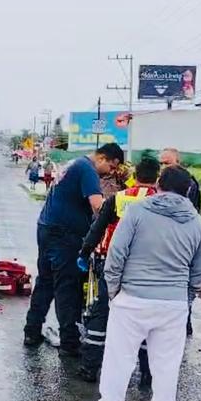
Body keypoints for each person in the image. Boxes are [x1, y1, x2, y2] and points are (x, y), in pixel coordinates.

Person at [93, 165, 201, 401]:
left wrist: (115, 292)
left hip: (131, 300)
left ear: (158, 185)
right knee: (167, 365)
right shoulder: (198, 223)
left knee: (118, 361)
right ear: (188, 191)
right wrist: (184, 298)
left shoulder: (137, 212)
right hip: (173, 306)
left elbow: (116, 256)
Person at [24, 143, 124, 356]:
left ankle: (31, 331)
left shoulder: (74, 163)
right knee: (67, 287)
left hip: (47, 228)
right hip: (64, 234)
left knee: (46, 281)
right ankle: (69, 343)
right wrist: (123, 211)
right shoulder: (87, 169)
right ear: (103, 158)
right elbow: (98, 205)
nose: (112, 173)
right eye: (112, 167)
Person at [76, 156, 160, 384]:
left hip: (111, 265)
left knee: (101, 314)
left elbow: (97, 228)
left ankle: (89, 368)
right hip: (147, 270)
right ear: (157, 177)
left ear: (135, 175)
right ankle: (147, 375)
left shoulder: (119, 198)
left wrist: (84, 253)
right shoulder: (161, 201)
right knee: (145, 320)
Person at [158, 147, 201, 335]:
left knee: (182, 283)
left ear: (177, 162)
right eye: (161, 163)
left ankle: (183, 323)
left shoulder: (188, 184)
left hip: (181, 242)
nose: (163, 167)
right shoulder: (161, 183)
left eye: (167, 163)